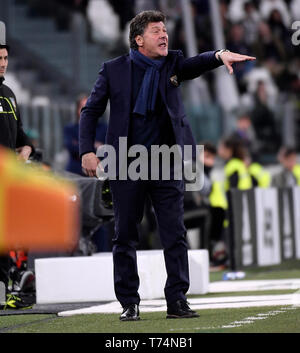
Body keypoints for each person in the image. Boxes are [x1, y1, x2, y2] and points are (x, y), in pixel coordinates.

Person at [79, 10, 255, 321]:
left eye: (165, 31)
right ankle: (129, 302)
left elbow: (195, 63)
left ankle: (177, 299)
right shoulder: (113, 70)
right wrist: (86, 152)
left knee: (174, 233)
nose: (164, 36)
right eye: (156, 31)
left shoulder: (172, 63)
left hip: (167, 161)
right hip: (125, 162)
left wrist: (219, 55)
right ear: (138, 39)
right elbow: (90, 112)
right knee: (125, 235)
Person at [0, 42, 35, 298]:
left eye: (5, 58)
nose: (3, 62)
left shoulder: (9, 93)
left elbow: (20, 134)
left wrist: (26, 149)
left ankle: (3, 289)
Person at [63, 93, 107, 176]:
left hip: (98, 172)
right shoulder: (70, 128)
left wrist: (80, 144)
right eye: (82, 107)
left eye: (89, 107)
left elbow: (107, 150)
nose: (86, 110)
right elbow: (71, 147)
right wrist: (95, 145)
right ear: (77, 109)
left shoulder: (105, 128)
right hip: (74, 172)